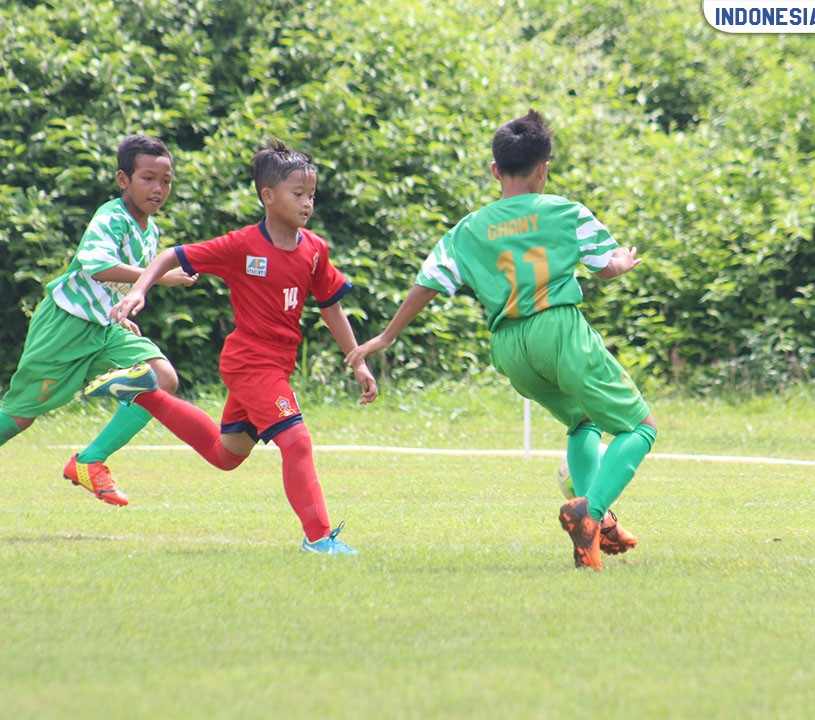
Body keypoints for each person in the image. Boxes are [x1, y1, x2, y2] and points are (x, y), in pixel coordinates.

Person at [346, 110, 657, 571]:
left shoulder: (469, 229)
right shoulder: (566, 212)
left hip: (510, 348)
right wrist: (623, 263)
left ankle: (600, 524)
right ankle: (588, 513)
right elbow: (605, 266)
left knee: (583, 424)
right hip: (558, 330)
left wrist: (386, 337)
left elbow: (428, 282)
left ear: (495, 170)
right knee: (640, 427)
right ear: (544, 168)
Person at [87, 139, 377, 554]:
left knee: (226, 454)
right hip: (250, 363)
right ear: (268, 195)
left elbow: (330, 305)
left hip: (277, 365)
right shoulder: (241, 245)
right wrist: (138, 291)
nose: (307, 203)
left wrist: (358, 361)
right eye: (298, 194)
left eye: (311, 195)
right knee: (296, 441)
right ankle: (318, 539)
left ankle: (143, 392)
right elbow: (171, 256)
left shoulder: (314, 250)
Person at [0, 135, 196, 506]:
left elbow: (114, 286)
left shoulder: (149, 230)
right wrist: (159, 276)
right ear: (124, 180)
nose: (158, 189)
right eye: (148, 178)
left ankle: (90, 461)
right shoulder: (111, 216)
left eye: (166, 181)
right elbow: (100, 266)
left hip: (104, 329)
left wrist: (120, 316)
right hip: (65, 326)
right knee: (21, 415)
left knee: (162, 378)